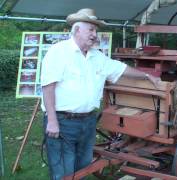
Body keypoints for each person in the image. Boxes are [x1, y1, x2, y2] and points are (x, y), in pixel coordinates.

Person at [41, 8, 160, 180]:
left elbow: (121, 69)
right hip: (62, 122)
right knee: (63, 171)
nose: (94, 34)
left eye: (95, 30)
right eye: (90, 30)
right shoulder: (59, 52)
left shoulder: (97, 56)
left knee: (82, 167)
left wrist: (148, 76)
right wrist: (52, 121)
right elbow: (48, 87)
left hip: (88, 121)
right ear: (77, 30)